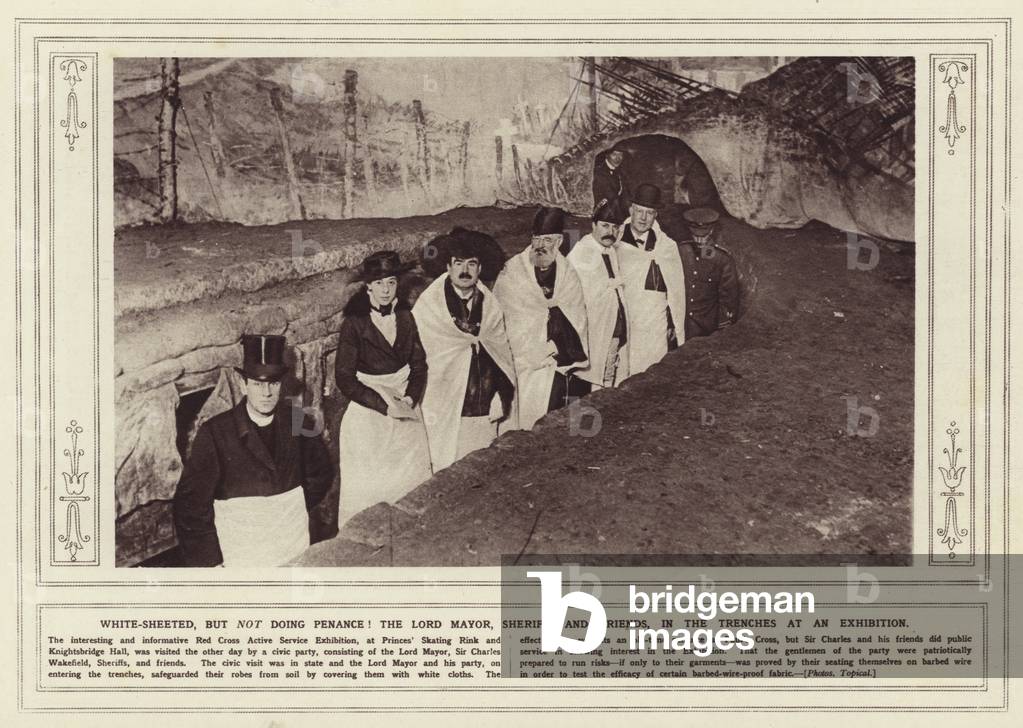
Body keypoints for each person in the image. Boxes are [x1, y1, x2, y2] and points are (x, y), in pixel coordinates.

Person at [172, 334, 334, 567]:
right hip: (241, 546)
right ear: (243, 384)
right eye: (258, 384)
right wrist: (211, 562)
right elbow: (190, 506)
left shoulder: (298, 420)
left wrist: (290, 506)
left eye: (273, 383)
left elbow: (321, 472)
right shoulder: (216, 433)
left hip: (291, 538)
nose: (266, 393)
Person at [334, 251, 432, 526]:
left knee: (410, 477)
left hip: (405, 405)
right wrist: (383, 404)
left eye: (391, 282)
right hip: (370, 411)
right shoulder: (354, 324)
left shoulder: (405, 316)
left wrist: (411, 398)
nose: (386, 290)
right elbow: (344, 378)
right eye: (379, 284)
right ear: (368, 287)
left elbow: (419, 365)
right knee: (370, 486)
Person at [413, 231, 517, 471]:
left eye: (472, 264)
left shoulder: (490, 305)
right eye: (458, 263)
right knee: (445, 465)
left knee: (481, 467)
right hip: (442, 402)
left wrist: (501, 394)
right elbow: (424, 357)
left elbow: (501, 354)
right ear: (448, 267)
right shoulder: (430, 306)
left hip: (481, 402)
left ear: (480, 269)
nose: (465, 270)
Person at [493, 207, 589, 430]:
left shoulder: (568, 273)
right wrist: (534, 347)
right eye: (537, 240)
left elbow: (577, 317)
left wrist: (555, 344)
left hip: (557, 361)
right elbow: (503, 319)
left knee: (555, 424)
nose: (541, 246)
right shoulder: (513, 272)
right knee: (524, 422)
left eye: (548, 240)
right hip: (523, 364)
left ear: (559, 242)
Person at [618, 183, 687, 375]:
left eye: (649, 212)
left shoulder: (666, 246)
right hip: (624, 318)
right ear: (631, 210)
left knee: (650, 371)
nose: (643, 217)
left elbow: (675, 290)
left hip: (654, 321)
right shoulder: (615, 242)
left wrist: (672, 322)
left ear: (655, 215)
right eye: (639, 211)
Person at [567, 197, 631, 389]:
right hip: (594, 329)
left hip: (614, 327)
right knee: (592, 378)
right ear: (593, 225)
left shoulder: (609, 251)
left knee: (608, 372)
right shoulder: (582, 253)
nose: (610, 232)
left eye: (614, 227)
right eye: (604, 226)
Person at [678, 207, 741, 338]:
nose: (700, 241)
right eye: (696, 236)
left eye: (704, 236)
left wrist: (722, 327)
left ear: (711, 231)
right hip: (681, 323)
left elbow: (729, 297)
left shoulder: (722, 260)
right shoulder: (681, 252)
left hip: (706, 327)